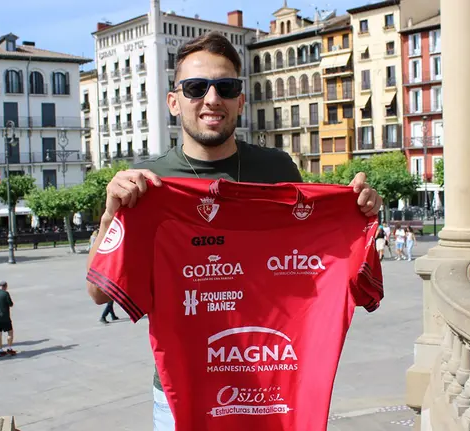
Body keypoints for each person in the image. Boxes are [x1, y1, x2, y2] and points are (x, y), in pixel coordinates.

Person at [85, 32, 383, 430]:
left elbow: (315, 253)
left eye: (225, 87)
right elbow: (100, 293)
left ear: (240, 101)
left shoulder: (278, 169)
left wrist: (355, 213)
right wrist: (111, 216)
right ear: (174, 101)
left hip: (274, 386)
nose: (212, 99)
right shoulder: (148, 183)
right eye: (195, 87)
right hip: (181, 392)